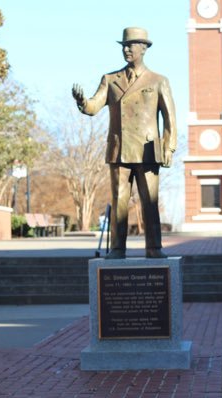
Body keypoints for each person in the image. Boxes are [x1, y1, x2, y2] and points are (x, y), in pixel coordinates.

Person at [72, 27, 177, 259]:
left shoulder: (159, 80)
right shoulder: (110, 80)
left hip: (148, 151)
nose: (126, 49)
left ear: (144, 48)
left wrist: (169, 146)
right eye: (124, 46)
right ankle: (118, 248)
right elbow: (93, 106)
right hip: (119, 150)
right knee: (119, 201)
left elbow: (169, 117)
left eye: (131, 45)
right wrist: (82, 101)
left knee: (150, 202)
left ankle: (154, 248)